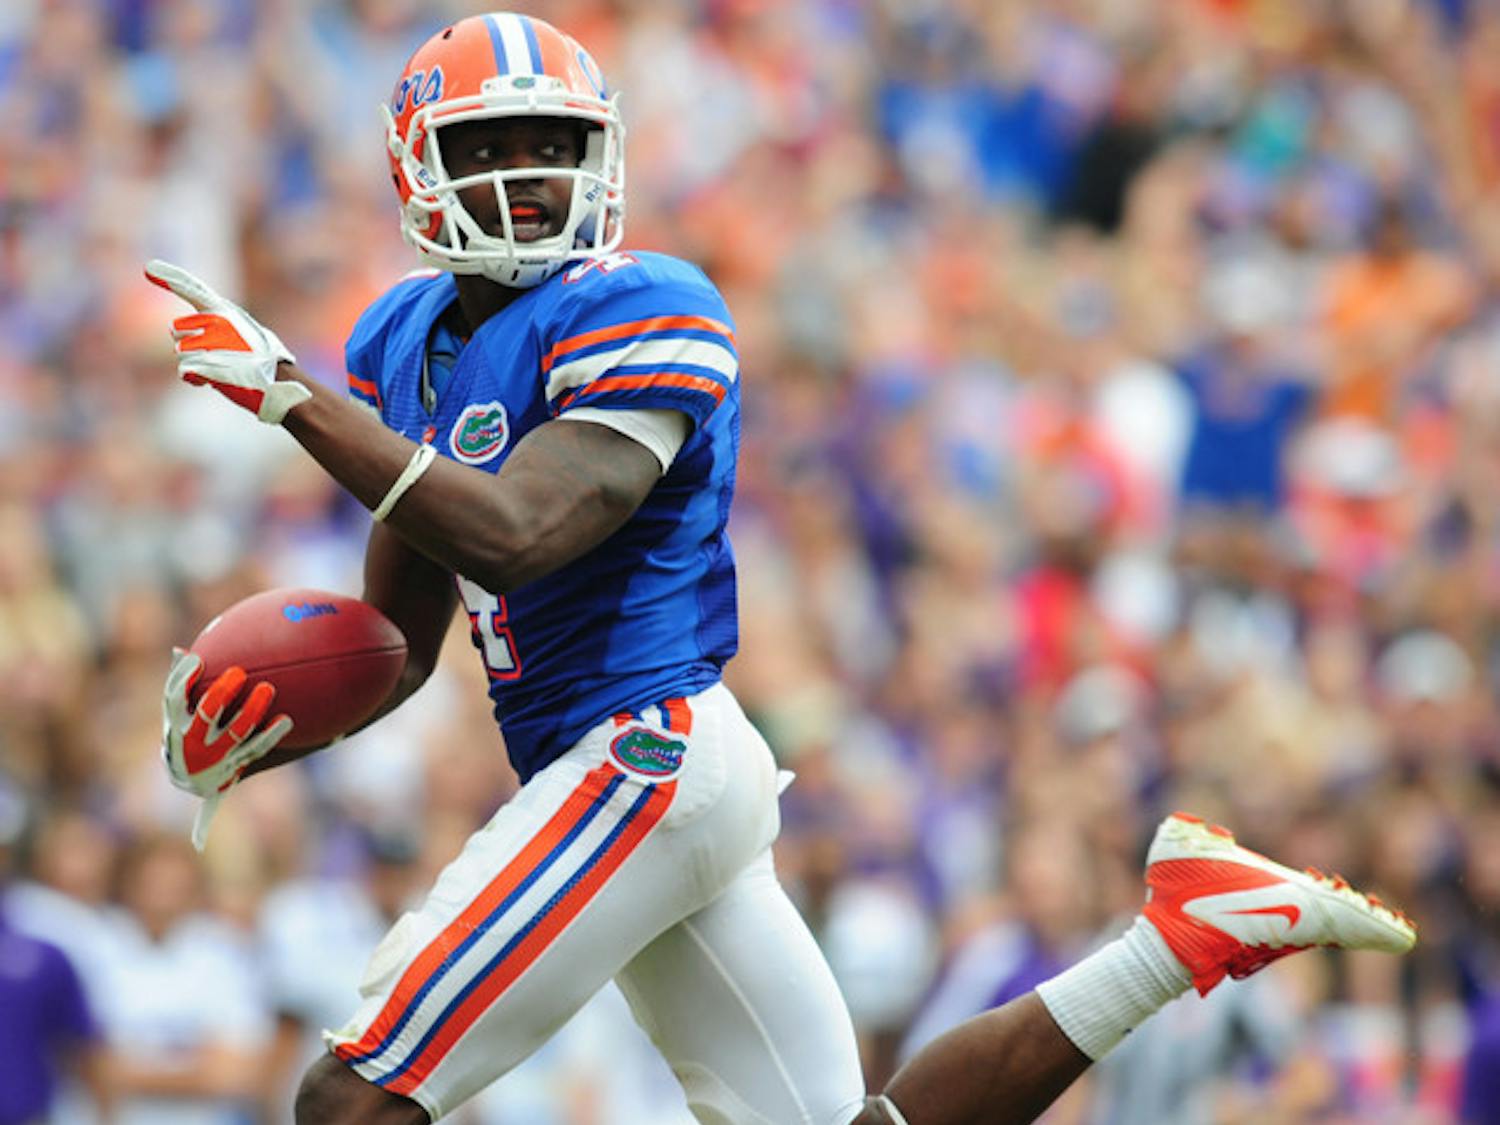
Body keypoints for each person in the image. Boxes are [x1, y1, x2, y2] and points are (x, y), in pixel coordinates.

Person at [145, 13, 1418, 1125]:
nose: (526, 174)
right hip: (646, 765)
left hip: (643, 754)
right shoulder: (399, 340)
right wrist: (261, 728)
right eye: (487, 145)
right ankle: (1179, 935)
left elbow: (522, 532)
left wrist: (293, 401)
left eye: (552, 141)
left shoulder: (646, 302)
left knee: (351, 1098)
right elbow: (402, 635)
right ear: (419, 165)